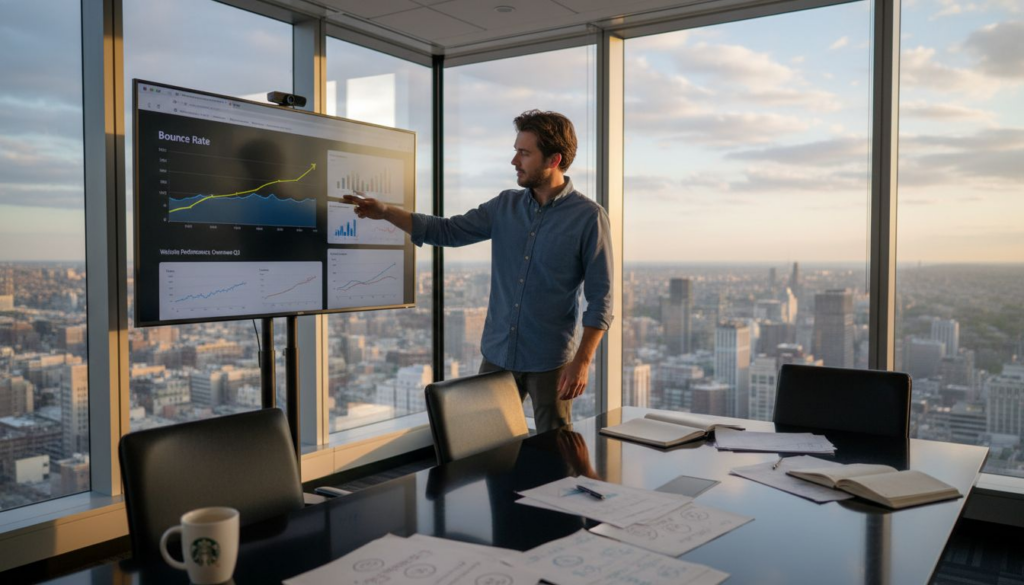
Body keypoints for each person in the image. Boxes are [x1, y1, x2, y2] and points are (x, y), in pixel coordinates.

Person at [343, 109, 613, 432]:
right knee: (486, 443)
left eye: (524, 153)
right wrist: (386, 212)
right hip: (499, 354)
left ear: (553, 160)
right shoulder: (504, 206)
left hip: (551, 361)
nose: (514, 161)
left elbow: (602, 299)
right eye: (516, 151)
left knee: (554, 454)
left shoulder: (588, 217)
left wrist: (582, 362)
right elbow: (446, 231)